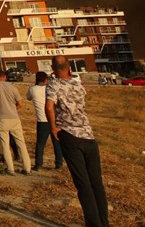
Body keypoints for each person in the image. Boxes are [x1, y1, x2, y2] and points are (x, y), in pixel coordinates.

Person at [47, 55, 109, 227]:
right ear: (69, 67)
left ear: (53, 68)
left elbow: (49, 106)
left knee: (83, 184)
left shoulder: (54, 84)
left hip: (69, 135)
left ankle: (93, 223)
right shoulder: (77, 83)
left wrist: (53, 127)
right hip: (88, 135)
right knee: (97, 182)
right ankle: (104, 222)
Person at [0, 69, 31, 175]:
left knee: (5, 144)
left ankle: (10, 169)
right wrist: (13, 109)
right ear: (5, 77)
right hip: (14, 118)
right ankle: (27, 168)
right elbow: (21, 103)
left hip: (1, 118)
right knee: (21, 143)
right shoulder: (12, 87)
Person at [28, 71, 63, 171]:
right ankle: (59, 163)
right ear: (46, 80)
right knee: (56, 143)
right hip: (54, 118)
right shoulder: (50, 89)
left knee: (40, 144)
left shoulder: (32, 89)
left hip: (41, 120)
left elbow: (28, 97)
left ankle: (38, 164)